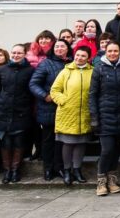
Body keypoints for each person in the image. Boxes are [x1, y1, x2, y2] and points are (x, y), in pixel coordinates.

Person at [90, 42, 120, 196]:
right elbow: (92, 94)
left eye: (116, 51)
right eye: (110, 51)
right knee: (107, 150)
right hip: (104, 115)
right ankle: (101, 181)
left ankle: (112, 180)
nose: (113, 53)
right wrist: (94, 117)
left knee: (116, 150)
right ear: (105, 52)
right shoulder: (99, 69)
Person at [50, 46, 94, 185]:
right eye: (77, 55)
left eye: (83, 56)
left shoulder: (93, 71)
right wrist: (64, 101)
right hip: (68, 112)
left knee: (81, 143)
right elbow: (55, 90)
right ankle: (67, 170)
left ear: (88, 58)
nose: (79, 58)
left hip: (85, 112)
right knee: (68, 143)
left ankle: (77, 170)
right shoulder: (66, 71)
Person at [29, 38, 71, 182]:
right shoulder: (46, 63)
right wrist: (44, 95)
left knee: (61, 141)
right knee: (48, 140)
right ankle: (47, 168)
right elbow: (34, 84)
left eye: (62, 47)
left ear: (67, 49)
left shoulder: (71, 63)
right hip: (49, 108)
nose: (59, 49)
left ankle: (59, 167)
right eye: (57, 47)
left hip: (66, 109)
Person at [0, 44, 35, 184]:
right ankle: (7, 170)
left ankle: (15, 170)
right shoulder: (2, 70)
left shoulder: (30, 71)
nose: (16, 55)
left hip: (21, 111)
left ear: (24, 54)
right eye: (14, 52)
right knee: (5, 142)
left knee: (18, 142)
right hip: (4, 111)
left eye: (19, 53)